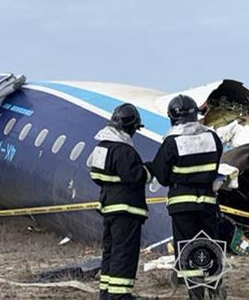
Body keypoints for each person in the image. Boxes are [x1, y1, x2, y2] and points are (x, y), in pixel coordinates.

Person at [147, 95, 225, 300]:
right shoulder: (213, 138)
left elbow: (161, 176)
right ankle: (216, 290)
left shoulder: (172, 142)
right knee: (210, 246)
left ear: (172, 117)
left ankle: (196, 294)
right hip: (208, 203)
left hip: (182, 205)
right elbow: (215, 167)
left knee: (188, 250)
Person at [88, 103, 150, 300]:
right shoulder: (124, 151)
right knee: (125, 252)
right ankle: (120, 296)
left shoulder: (101, 148)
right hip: (126, 210)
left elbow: (96, 175)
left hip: (108, 208)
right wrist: (150, 169)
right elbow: (136, 177)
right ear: (130, 127)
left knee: (111, 251)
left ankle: (106, 293)